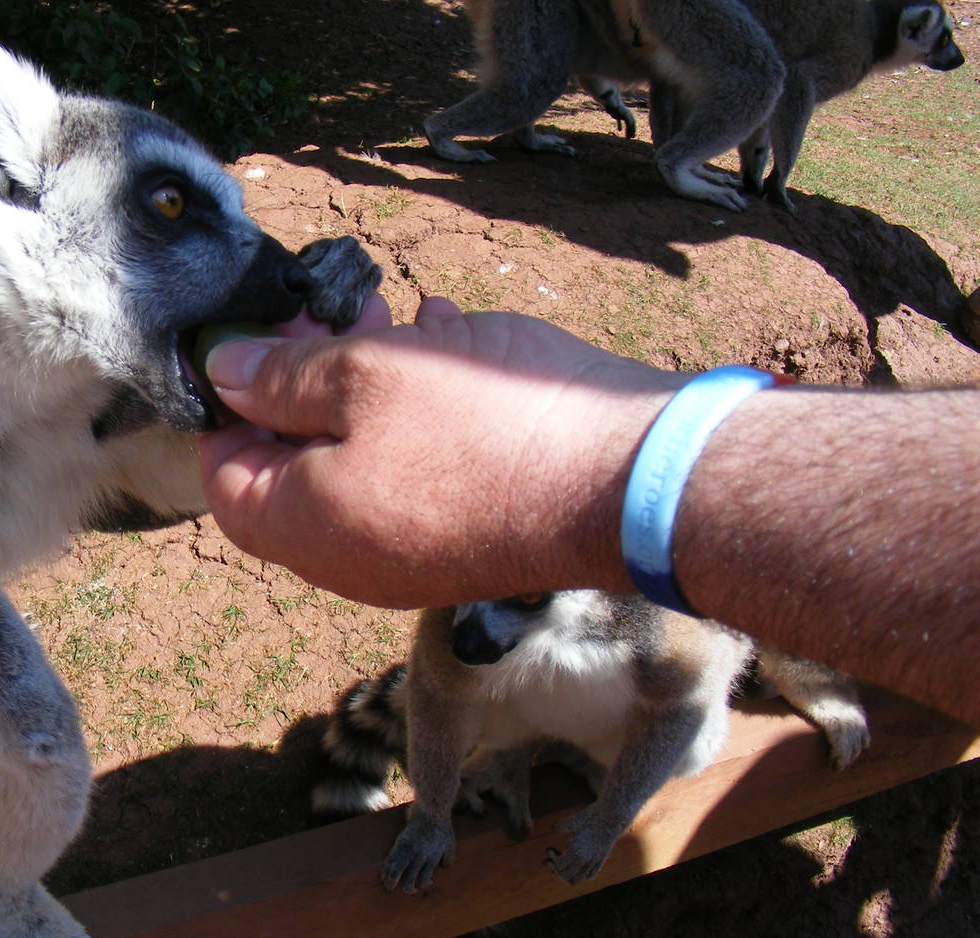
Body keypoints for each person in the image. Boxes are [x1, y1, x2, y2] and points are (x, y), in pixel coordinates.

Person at [197, 295, 980, 721]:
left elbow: (679, 701)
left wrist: (587, 458)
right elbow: (440, 695)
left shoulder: (648, 635)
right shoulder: (480, 626)